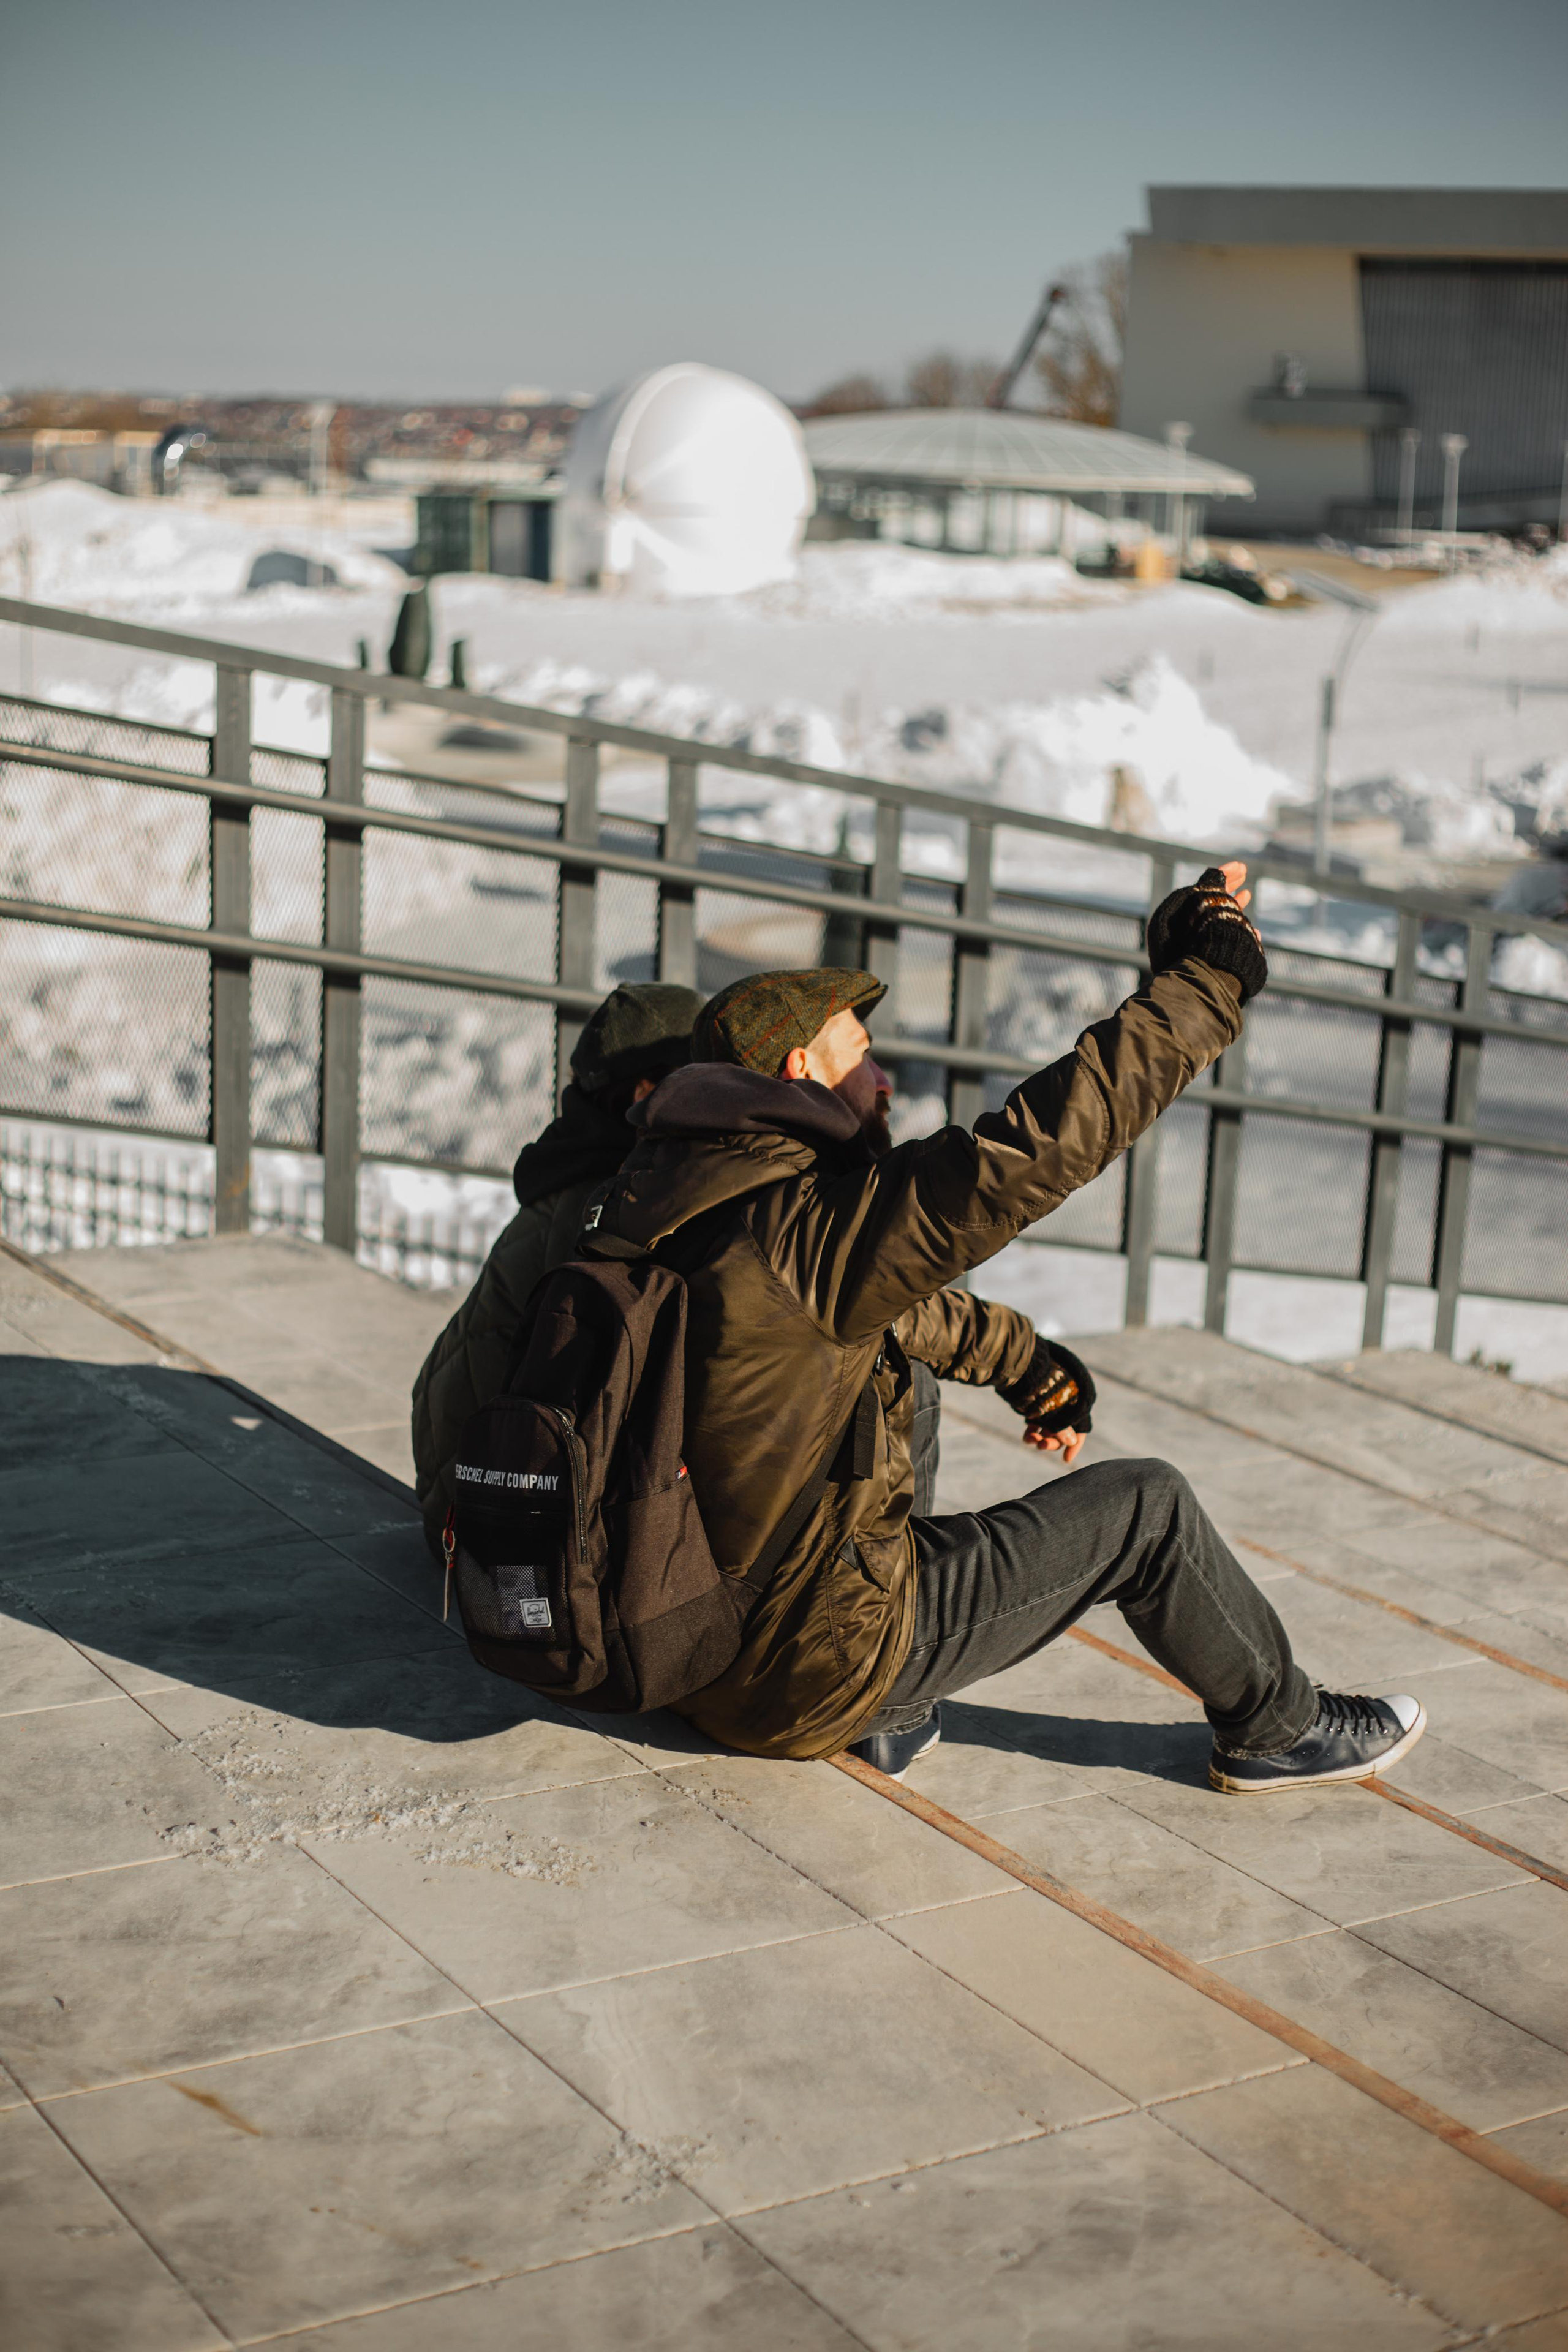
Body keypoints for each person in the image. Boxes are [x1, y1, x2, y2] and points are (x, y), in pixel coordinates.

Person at [584, 865, 1428, 1794]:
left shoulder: (674, 1199)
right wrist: (1206, 981)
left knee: (906, 1376)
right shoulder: (810, 1228)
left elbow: (892, 1312)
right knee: (1147, 1510)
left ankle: (889, 1716)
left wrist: (1028, 1362)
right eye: (859, 1054)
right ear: (801, 1071)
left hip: (687, 1645)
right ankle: (1279, 1728)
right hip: (798, 1671)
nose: (881, 1079)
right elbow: (1031, 1152)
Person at [412, 980, 703, 1553]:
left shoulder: (577, 1164)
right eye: (699, 1076)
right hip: (487, 1508)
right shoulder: (604, 1206)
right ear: (646, 1091)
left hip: (463, 1469)